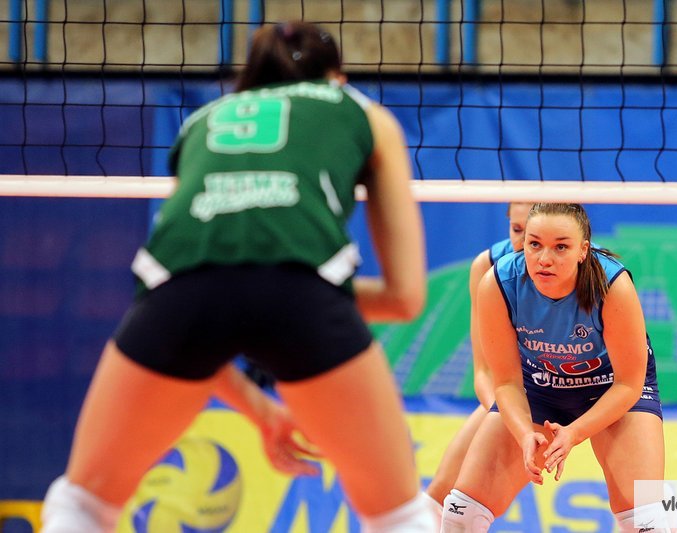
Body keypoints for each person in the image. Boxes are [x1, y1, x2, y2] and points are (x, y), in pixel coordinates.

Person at [41, 21, 436, 533]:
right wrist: (311, 292)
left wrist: (259, 410)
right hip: (303, 293)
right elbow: (404, 298)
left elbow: (214, 291)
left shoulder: (202, 121)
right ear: (337, 78)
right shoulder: (361, 110)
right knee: (399, 514)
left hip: (179, 291)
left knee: (82, 504)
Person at [440, 203, 671, 533]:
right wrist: (524, 434)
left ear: (583, 250)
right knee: (461, 514)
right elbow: (505, 382)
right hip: (539, 387)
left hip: (610, 387)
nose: (544, 259)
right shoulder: (498, 284)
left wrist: (574, 433)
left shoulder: (612, 284)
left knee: (645, 520)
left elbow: (628, 384)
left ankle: (660, 509)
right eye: (534, 244)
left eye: (561, 247)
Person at [425, 202, 531, 516]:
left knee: (644, 507)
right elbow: (484, 373)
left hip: (598, 389)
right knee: (445, 500)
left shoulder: (599, 271)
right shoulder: (488, 267)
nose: (525, 242)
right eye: (517, 229)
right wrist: (513, 421)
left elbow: (626, 372)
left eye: (534, 232)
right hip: (528, 394)